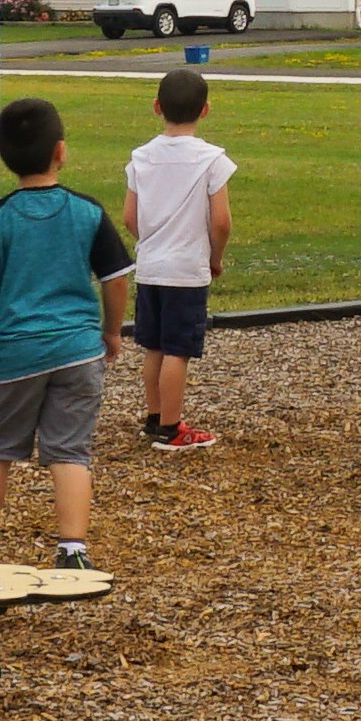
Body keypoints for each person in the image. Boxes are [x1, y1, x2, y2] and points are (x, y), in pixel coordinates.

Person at [0, 96, 133, 569]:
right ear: (61, 151)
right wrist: (112, 332)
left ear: (4, 158)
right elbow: (116, 280)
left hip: (12, 354)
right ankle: (72, 550)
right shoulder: (87, 212)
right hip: (76, 350)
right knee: (70, 452)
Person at [117, 67, 238, 450]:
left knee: (153, 345)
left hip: (151, 267)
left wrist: (152, 242)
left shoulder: (141, 157)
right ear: (206, 111)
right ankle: (172, 428)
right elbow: (221, 222)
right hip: (186, 269)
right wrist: (214, 256)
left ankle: (154, 416)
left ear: (157, 107)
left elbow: (129, 218)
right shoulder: (212, 160)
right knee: (178, 350)